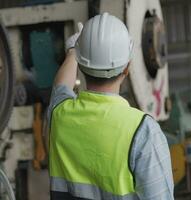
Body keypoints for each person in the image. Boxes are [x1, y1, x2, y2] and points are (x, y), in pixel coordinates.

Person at [47, 13, 174, 200]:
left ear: (81, 66)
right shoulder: (143, 131)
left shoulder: (60, 115)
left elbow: (61, 86)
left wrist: (73, 51)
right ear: (127, 67)